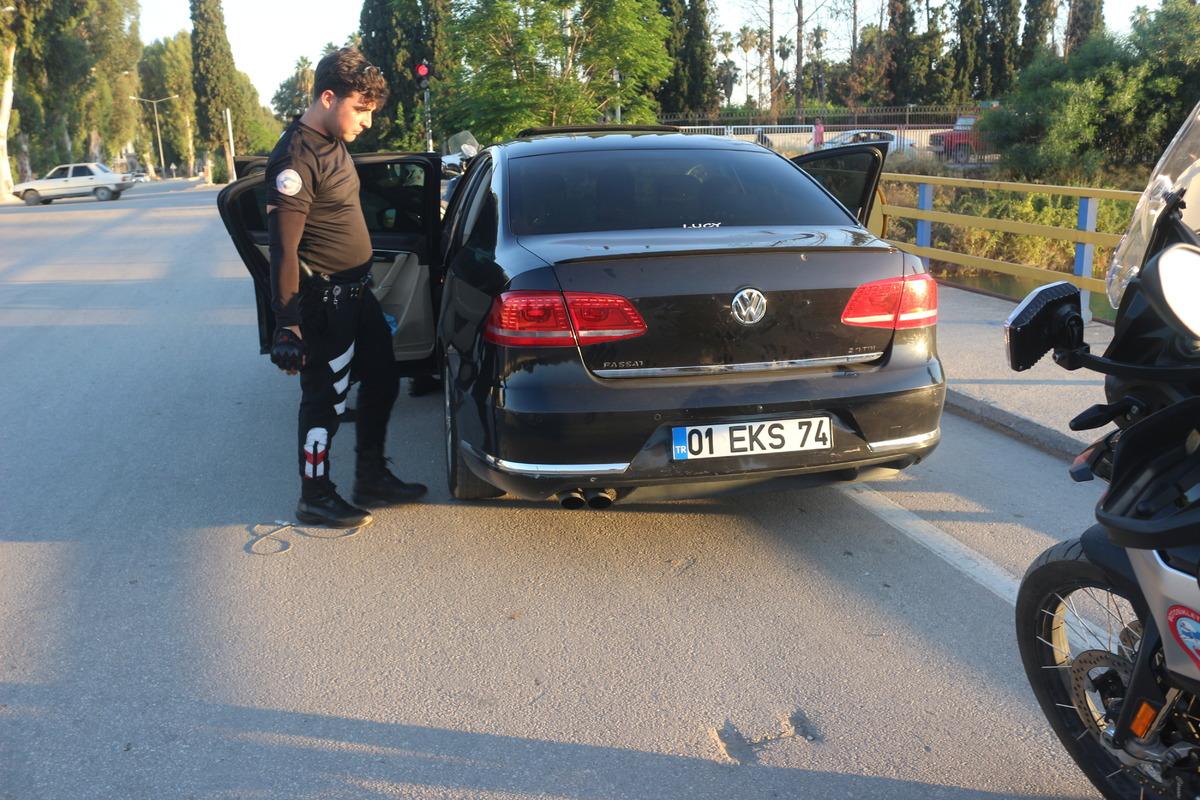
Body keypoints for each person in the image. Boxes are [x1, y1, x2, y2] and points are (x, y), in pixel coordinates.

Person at [265, 47, 426, 529]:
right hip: (324, 304)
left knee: (381, 380)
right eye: (361, 110)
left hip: (358, 296)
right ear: (329, 97)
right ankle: (315, 496)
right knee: (325, 402)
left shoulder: (332, 140)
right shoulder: (295, 157)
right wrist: (288, 325)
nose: (367, 123)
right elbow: (283, 250)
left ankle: (372, 475)